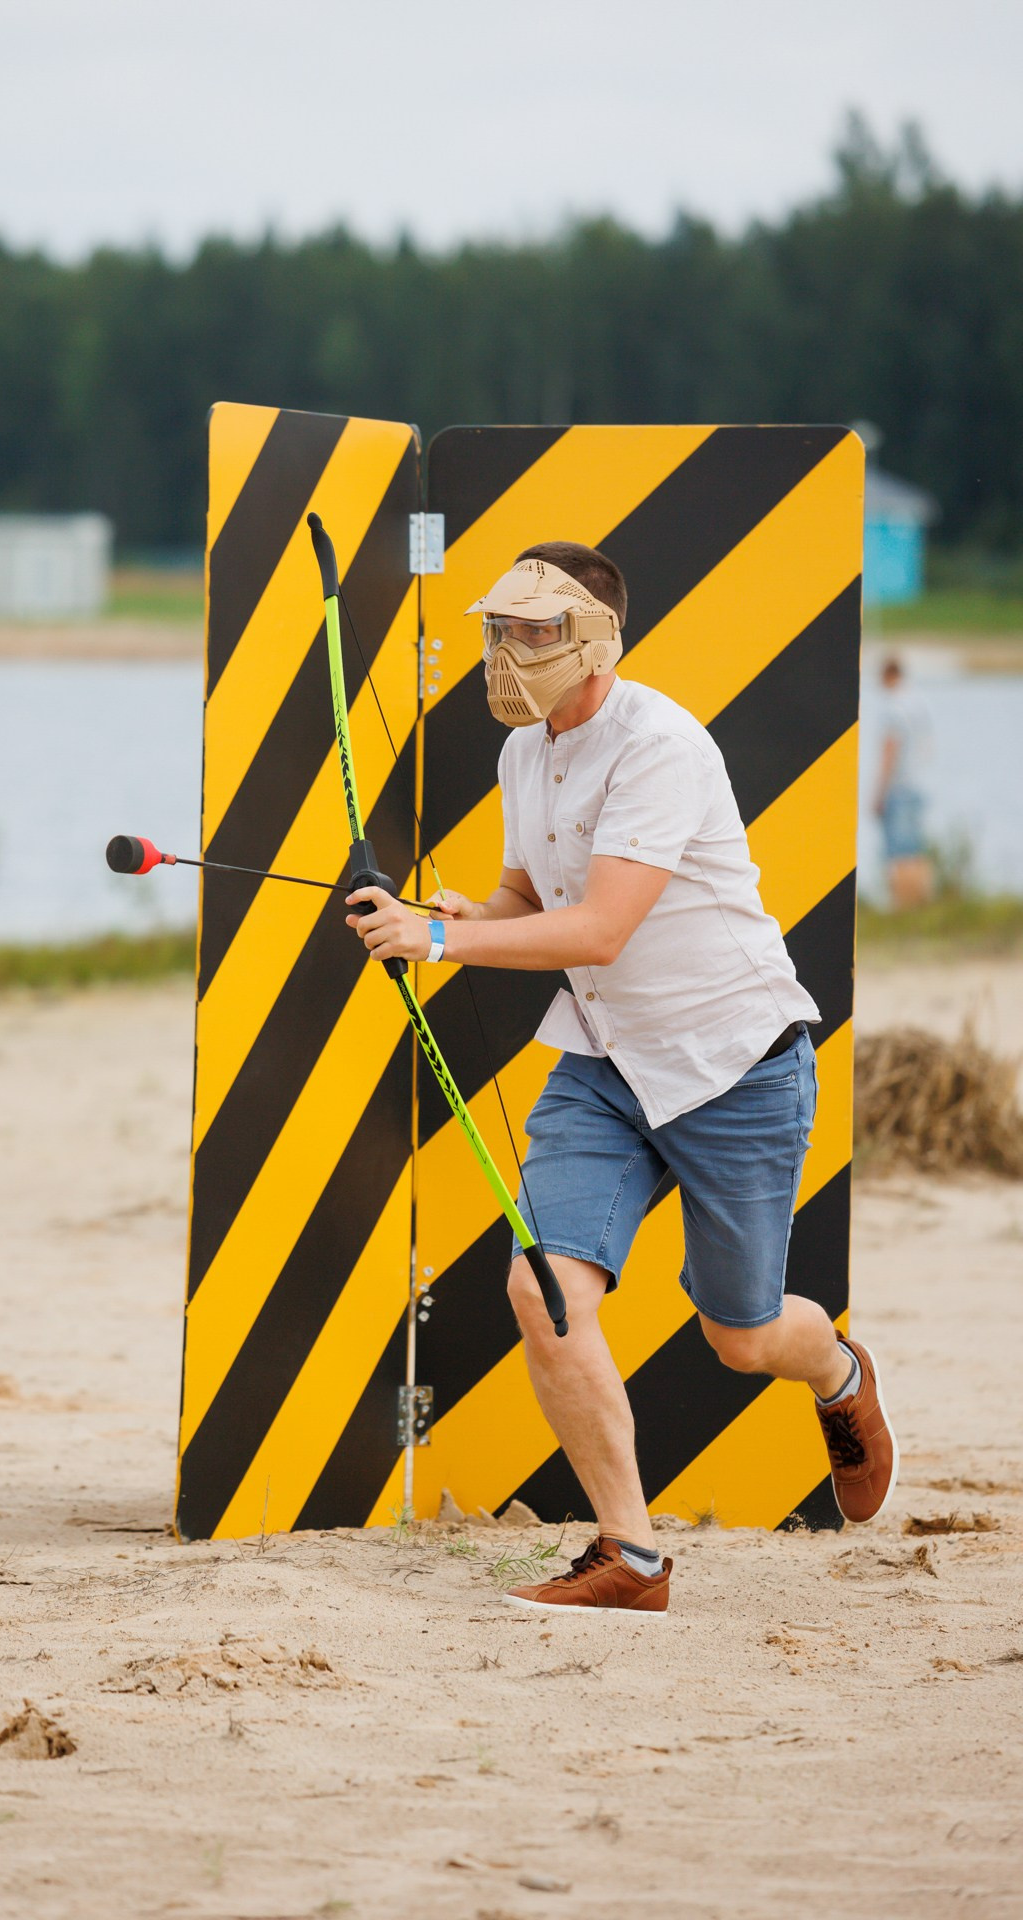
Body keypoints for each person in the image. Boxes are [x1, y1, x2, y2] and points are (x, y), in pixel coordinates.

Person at [346, 541, 898, 1615]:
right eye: (498, 629)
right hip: (602, 1063)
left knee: (739, 1336)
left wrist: (436, 944)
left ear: (597, 638)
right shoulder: (523, 755)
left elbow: (597, 929)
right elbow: (524, 898)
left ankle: (835, 1372)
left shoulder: (660, 745)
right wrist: (454, 913)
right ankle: (629, 1557)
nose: (507, 652)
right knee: (541, 1288)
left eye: (535, 631)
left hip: (730, 1064)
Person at [874, 655, 934, 909]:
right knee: (916, 851)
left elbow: (891, 750)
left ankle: (902, 908)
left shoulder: (895, 705)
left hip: (899, 788)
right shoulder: (920, 701)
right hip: (921, 784)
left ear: (887, 675)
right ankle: (923, 905)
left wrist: (879, 793)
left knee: (898, 854)